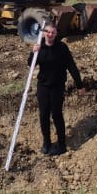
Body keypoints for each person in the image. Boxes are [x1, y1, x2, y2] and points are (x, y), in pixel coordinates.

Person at [30, 20, 85, 155]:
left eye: (52, 32)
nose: (50, 34)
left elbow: (72, 66)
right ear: (44, 33)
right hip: (43, 86)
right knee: (43, 116)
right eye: (47, 32)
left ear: (56, 34)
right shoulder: (40, 47)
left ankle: (61, 145)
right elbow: (30, 64)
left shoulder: (62, 48)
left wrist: (80, 85)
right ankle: (46, 143)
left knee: (56, 115)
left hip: (57, 87)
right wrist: (33, 53)